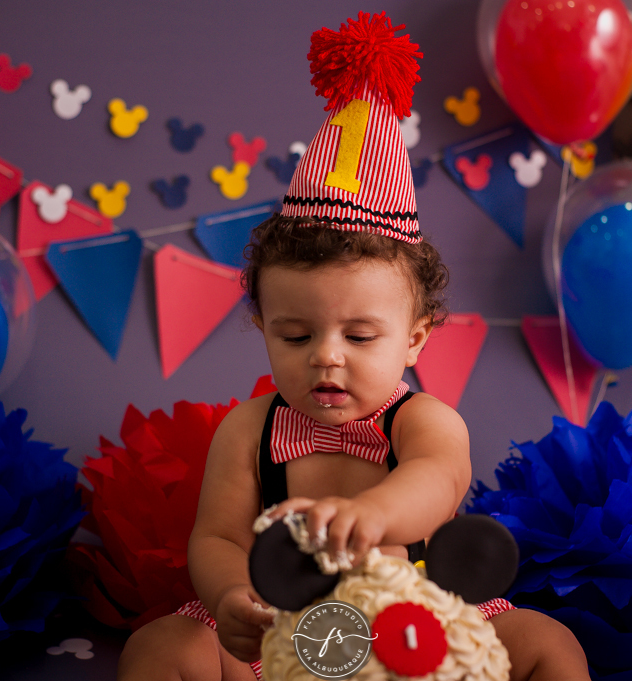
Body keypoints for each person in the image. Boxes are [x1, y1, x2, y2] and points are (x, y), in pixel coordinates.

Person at [119, 12, 589, 681]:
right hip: (284, 632)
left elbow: (437, 481)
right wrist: (231, 596)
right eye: (295, 334)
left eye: (360, 336)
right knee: (163, 645)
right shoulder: (249, 430)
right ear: (262, 324)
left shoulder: (424, 421)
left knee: (547, 642)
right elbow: (218, 535)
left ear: (414, 339)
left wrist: (369, 514)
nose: (325, 355)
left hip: (418, 626)